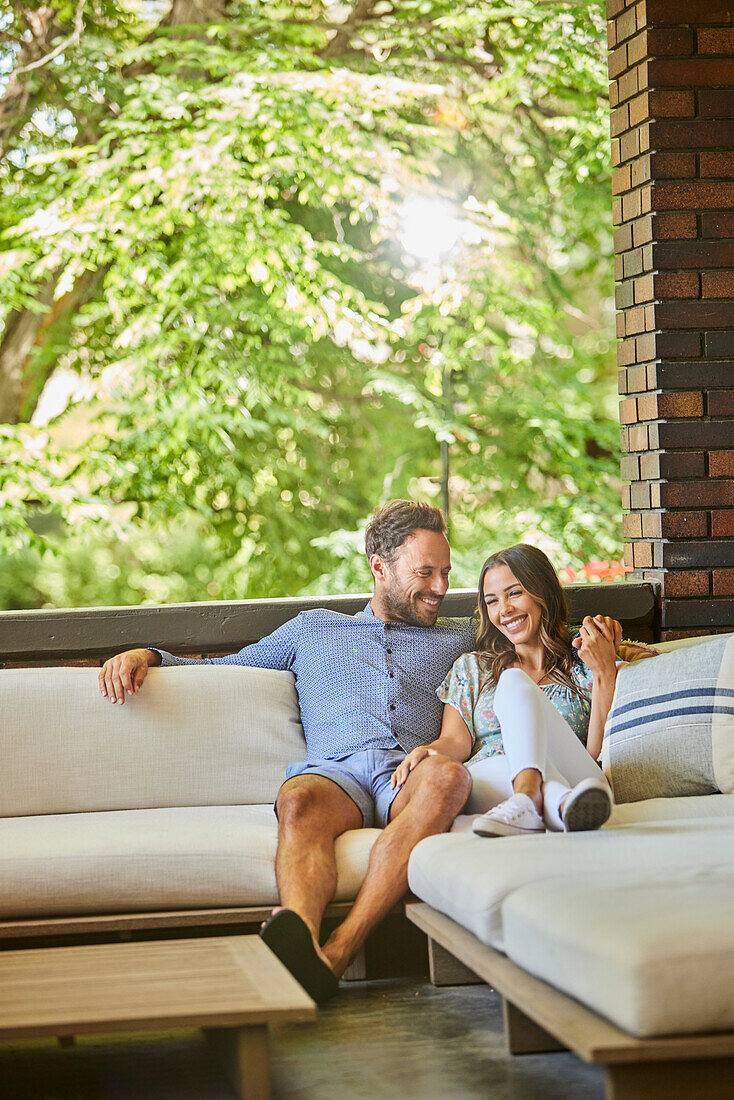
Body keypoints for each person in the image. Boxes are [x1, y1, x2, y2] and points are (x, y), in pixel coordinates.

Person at [97, 500, 475, 1002]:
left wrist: (611, 651)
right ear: (379, 567)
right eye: (424, 573)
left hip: (409, 772)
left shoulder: (461, 640)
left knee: (449, 778)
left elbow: (535, 640)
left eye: (446, 573)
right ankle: (297, 935)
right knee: (297, 799)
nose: (440, 588)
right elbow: (227, 667)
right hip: (335, 773)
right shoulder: (312, 629)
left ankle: (337, 952)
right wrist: (149, 655)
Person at [391, 543, 621, 837]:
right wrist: (428, 751)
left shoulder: (585, 666)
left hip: (579, 778)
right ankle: (559, 807)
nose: (505, 609)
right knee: (509, 689)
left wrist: (604, 672)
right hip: (494, 779)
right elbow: (455, 742)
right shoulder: (474, 669)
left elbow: (596, 757)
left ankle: (529, 801)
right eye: (492, 601)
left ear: (543, 593)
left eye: (514, 593)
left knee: (514, 681)